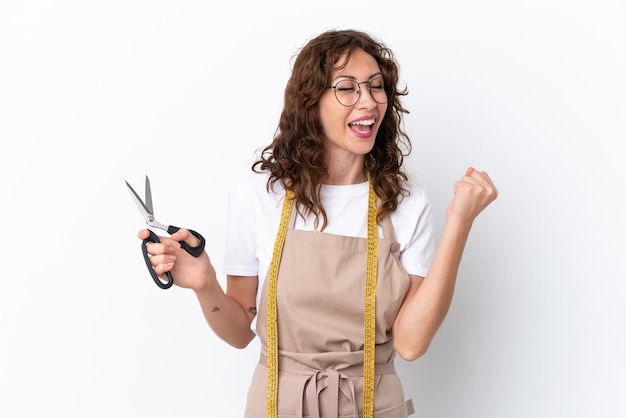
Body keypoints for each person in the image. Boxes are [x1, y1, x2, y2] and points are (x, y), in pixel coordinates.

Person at [137, 29, 498, 418]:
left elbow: (410, 343)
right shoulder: (259, 196)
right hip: (278, 406)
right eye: (347, 88)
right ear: (312, 102)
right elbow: (241, 332)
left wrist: (459, 224)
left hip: (373, 407)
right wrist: (204, 283)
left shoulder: (408, 204)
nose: (369, 102)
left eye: (377, 87)